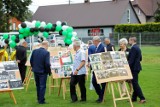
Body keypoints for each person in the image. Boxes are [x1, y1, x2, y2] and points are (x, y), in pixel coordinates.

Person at [128, 37, 146, 104]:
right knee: (134, 82)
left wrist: (127, 67)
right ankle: (134, 98)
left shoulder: (133, 48)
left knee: (135, 83)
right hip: (137, 67)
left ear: (132, 40)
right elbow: (140, 58)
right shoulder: (137, 47)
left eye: (129, 40)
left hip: (134, 68)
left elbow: (131, 60)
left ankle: (142, 98)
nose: (128, 42)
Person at [92, 36, 106, 103]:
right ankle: (101, 95)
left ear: (96, 41)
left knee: (103, 83)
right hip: (97, 67)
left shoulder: (102, 47)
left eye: (93, 41)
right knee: (94, 81)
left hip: (101, 68)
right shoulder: (97, 47)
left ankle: (101, 96)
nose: (93, 42)